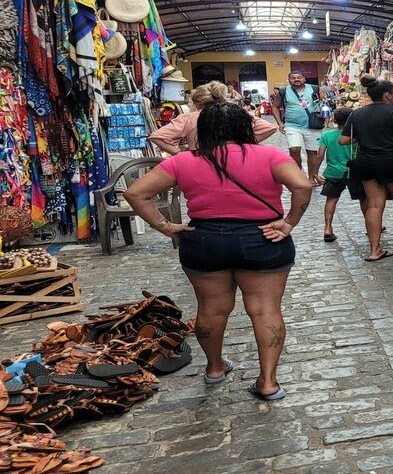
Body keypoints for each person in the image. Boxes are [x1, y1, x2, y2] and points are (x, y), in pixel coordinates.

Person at [124, 103, 312, 402]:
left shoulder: (184, 160)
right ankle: (268, 382)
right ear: (246, 128)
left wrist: (166, 226)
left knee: (211, 308)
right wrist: (289, 222)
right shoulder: (270, 155)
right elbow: (302, 185)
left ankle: (214, 368)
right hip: (262, 237)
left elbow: (135, 193)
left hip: (205, 240)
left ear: (204, 130)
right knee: (265, 309)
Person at [341, 76, 393, 261]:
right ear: (387, 95)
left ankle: (374, 250)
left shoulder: (357, 114)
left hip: (367, 163)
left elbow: (344, 140)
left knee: (373, 205)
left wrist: (366, 136)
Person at [148, 81, 276, 155]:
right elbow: (269, 128)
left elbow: (157, 137)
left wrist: (178, 154)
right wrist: (246, 143)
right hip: (235, 159)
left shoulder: (188, 118)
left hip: (200, 161)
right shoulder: (237, 113)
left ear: (196, 103)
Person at [317, 108, 364, 243]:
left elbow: (320, 155)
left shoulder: (327, 135)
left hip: (333, 172)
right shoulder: (356, 136)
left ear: (335, 120)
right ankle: (371, 225)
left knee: (331, 200)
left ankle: (327, 228)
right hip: (354, 171)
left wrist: (314, 172)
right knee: (364, 199)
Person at [272, 71, 325, 185]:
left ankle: (311, 177)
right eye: (293, 78)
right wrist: (280, 123)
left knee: (312, 152)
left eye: (299, 77)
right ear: (289, 80)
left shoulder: (315, 88)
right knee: (294, 149)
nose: (296, 79)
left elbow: (325, 103)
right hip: (292, 126)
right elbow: (275, 107)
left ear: (304, 79)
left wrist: (325, 114)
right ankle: (299, 175)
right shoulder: (283, 92)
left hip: (313, 125)